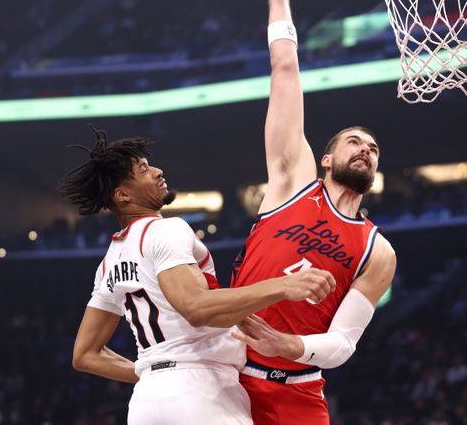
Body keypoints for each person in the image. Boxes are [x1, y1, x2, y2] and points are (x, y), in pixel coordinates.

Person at [60, 128, 336, 425]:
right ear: (123, 195)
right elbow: (196, 308)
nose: (157, 171)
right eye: (143, 170)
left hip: (146, 402)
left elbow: (85, 354)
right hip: (202, 390)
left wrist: (150, 373)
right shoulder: (165, 230)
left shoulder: (109, 262)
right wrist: (283, 285)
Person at [229, 0, 397, 424]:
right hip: (227, 370)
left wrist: (290, 345)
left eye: (373, 147)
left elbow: (343, 343)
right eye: (353, 142)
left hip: (296, 390)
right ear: (326, 159)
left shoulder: (377, 251)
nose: (365, 148)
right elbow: (284, 71)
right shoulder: (293, 179)